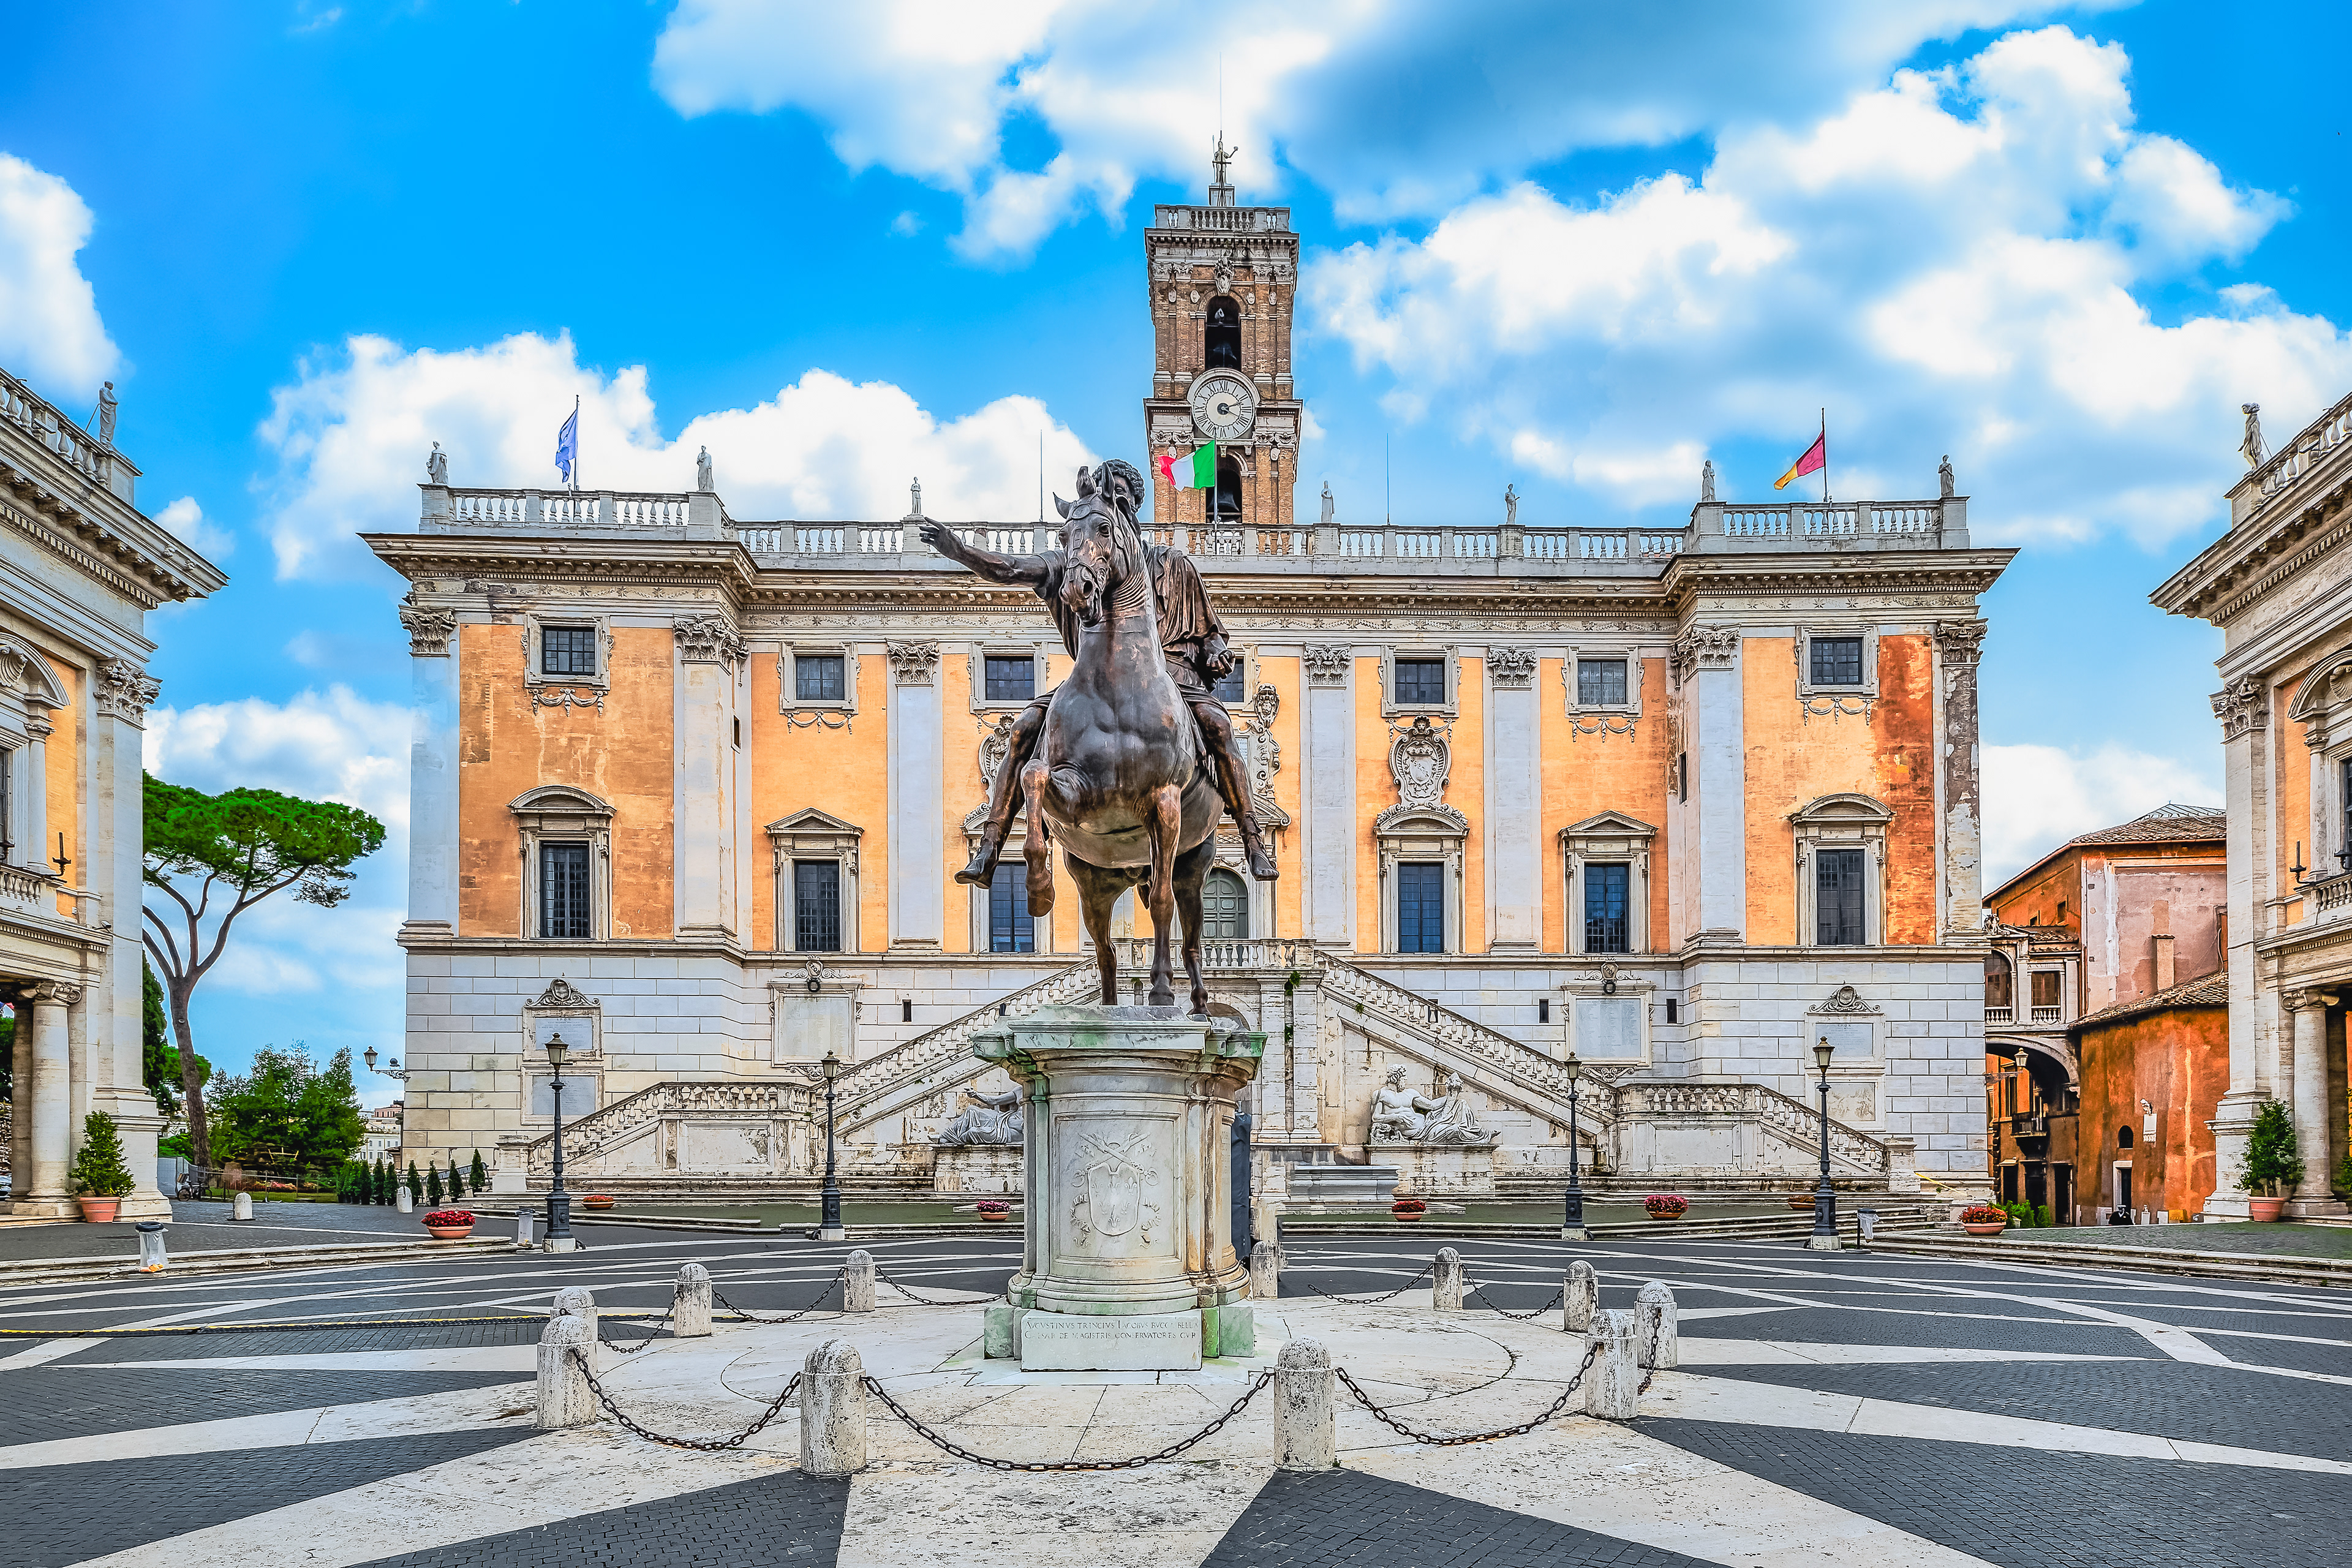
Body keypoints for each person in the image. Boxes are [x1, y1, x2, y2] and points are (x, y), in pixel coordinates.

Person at [920, 457, 1277, 885]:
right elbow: (1012, 569)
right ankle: (991, 847)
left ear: (1133, 510)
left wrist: (1217, 650)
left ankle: (1252, 838)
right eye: (1109, 499)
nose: (1116, 505)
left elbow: (1209, 631)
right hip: (1094, 687)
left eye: (1122, 499)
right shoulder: (1077, 561)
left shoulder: (1174, 564)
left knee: (1219, 727)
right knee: (1024, 729)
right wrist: (957, 549)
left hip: (1176, 682)